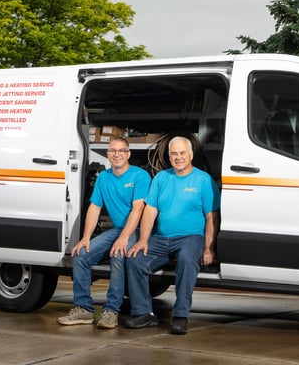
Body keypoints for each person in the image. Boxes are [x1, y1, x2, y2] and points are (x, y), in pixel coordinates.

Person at [124, 136, 220, 335]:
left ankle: (181, 316)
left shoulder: (203, 180)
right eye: (174, 154)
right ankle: (143, 313)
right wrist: (143, 240)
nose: (178, 158)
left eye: (182, 153)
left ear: (191, 155)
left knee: (186, 261)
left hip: (191, 238)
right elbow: (150, 210)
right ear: (169, 156)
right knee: (135, 260)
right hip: (161, 239)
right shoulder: (161, 178)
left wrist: (209, 247)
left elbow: (211, 217)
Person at [57, 137, 150, 329]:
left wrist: (124, 238)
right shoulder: (104, 178)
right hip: (117, 230)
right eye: (112, 151)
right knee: (81, 255)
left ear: (128, 154)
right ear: (108, 154)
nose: (117, 154)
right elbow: (94, 208)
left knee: (118, 253)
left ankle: (111, 311)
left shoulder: (140, 176)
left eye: (121, 151)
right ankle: (83, 309)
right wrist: (85, 238)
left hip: (137, 228)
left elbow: (138, 209)